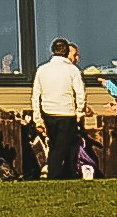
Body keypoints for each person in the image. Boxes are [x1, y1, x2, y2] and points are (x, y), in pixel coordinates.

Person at [32, 36, 91, 182]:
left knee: (55, 144)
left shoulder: (42, 70)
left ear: (53, 51)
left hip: (48, 112)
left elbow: (35, 95)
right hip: (67, 113)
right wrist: (79, 112)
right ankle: (57, 174)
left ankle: (61, 173)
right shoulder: (72, 70)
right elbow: (80, 93)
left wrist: (37, 118)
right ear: (66, 52)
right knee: (65, 147)